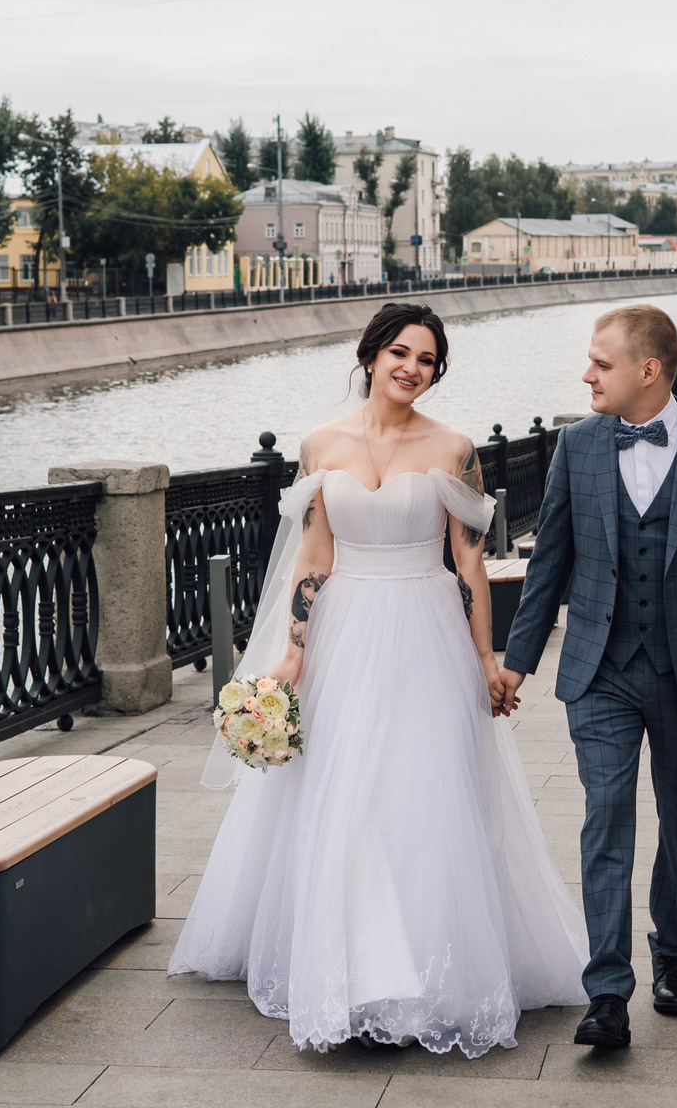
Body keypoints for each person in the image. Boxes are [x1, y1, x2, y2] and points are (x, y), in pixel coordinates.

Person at [169, 303, 587, 1056]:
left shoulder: (454, 448)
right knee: (346, 790)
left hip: (426, 629)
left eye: (426, 360)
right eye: (400, 351)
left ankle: (427, 971)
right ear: (370, 354)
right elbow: (313, 557)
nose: (411, 368)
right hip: (346, 629)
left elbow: (468, 565)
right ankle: (356, 970)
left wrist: (486, 660)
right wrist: (294, 652)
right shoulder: (319, 444)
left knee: (420, 791)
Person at [498, 304, 677, 1050]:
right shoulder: (576, 448)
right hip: (600, 669)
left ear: (648, 371)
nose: (587, 374)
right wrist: (514, 662)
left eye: (601, 362)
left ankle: (673, 954)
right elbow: (548, 563)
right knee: (607, 813)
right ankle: (608, 989)